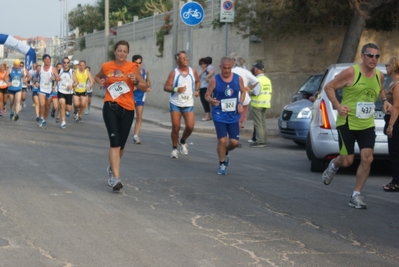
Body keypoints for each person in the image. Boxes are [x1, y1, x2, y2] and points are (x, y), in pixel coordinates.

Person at [322, 43, 389, 209]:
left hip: (367, 124)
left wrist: (385, 101)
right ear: (363, 56)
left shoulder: (379, 76)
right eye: (370, 55)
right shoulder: (351, 72)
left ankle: (356, 195)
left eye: (377, 56)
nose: (374, 59)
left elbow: (380, 90)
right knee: (347, 161)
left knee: (368, 158)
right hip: (347, 123)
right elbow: (329, 87)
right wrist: (338, 106)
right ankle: (333, 165)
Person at [94, 40, 147, 191]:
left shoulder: (133, 67)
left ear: (127, 53)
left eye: (125, 51)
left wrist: (135, 80)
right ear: (115, 52)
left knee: (121, 145)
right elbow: (97, 77)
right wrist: (100, 81)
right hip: (110, 106)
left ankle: (111, 168)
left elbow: (144, 87)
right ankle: (116, 179)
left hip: (128, 108)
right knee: (115, 142)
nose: (122, 53)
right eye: (119, 50)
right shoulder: (106, 66)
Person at [205, 56, 246, 175]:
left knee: (234, 142)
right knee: (222, 140)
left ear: (232, 67)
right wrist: (212, 101)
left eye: (229, 68)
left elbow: (243, 91)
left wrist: (240, 103)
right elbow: (207, 95)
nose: (227, 71)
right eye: (224, 68)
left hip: (233, 114)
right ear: (220, 67)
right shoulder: (215, 80)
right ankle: (222, 164)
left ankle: (225, 152)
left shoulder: (238, 79)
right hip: (219, 114)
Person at [163, 51, 200, 158]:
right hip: (176, 103)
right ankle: (174, 149)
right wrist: (176, 89)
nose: (185, 60)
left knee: (190, 126)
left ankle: (183, 141)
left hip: (188, 103)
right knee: (176, 127)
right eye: (182, 58)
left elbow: (197, 81)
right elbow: (166, 87)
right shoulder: (174, 73)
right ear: (177, 61)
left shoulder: (193, 71)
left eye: (186, 57)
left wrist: (197, 90)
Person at [229, 54, 258, 130]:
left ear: (235, 63)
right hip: (244, 97)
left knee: (232, 119)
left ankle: (232, 135)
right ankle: (236, 136)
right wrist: (248, 88)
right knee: (240, 119)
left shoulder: (231, 71)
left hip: (231, 96)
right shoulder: (246, 72)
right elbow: (256, 81)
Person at [383, 56, 399, 192]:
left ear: (393, 67)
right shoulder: (392, 83)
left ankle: (396, 182)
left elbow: (397, 106)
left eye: (387, 65)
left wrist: (391, 126)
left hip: (396, 121)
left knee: (395, 153)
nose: (385, 68)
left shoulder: (397, 83)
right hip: (391, 118)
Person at [249, 62, 272, 147]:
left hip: (257, 104)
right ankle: (263, 140)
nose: (254, 70)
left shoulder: (257, 80)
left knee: (258, 123)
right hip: (265, 103)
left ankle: (260, 141)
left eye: (255, 69)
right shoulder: (267, 80)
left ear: (257, 70)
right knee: (263, 123)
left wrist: (250, 92)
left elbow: (256, 92)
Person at [36, 54, 60, 129]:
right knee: (42, 104)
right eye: (46, 59)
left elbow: (58, 78)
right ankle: (40, 117)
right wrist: (36, 82)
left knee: (47, 106)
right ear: (43, 60)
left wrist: (54, 78)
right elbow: (36, 77)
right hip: (41, 89)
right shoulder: (40, 68)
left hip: (49, 90)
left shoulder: (53, 69)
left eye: (49, 59)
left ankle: (44, 120)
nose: (48, 61)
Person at [132, 55, 152, 144]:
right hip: (131, 96)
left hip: (141, 96)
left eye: (139, 63)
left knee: (139, 115)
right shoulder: (130, 71)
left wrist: (147, 77)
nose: (138, 65)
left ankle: (136, 135)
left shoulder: (144, 71)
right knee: (128, 115)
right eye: (136, 63)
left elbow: (147, 84)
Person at [57, 57, 74, 129]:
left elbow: (77, 82)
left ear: (69, 64)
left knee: (69, 109)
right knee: (62, 104)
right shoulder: (59, 71)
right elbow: (55, 79)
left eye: (67, 63)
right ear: (62, 63)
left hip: (69, 92)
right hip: (61, 91)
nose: (66, 64)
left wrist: (72, 86)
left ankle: (67, 112)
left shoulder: (72, 72)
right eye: (64, 62)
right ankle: (63, 122)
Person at [198, 57, 214, 121]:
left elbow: (212, 72)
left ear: (206, 64)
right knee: (203, 101)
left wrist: (207, 77)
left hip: (206, 87)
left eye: (204, 63)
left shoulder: (208, 69)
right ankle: (208, 115)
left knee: (205, 101)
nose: (202, 65)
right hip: (201, 87)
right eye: (201, 64)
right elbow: (197, 76)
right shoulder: (202, 70)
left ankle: (207, 116)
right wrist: (203, 70)